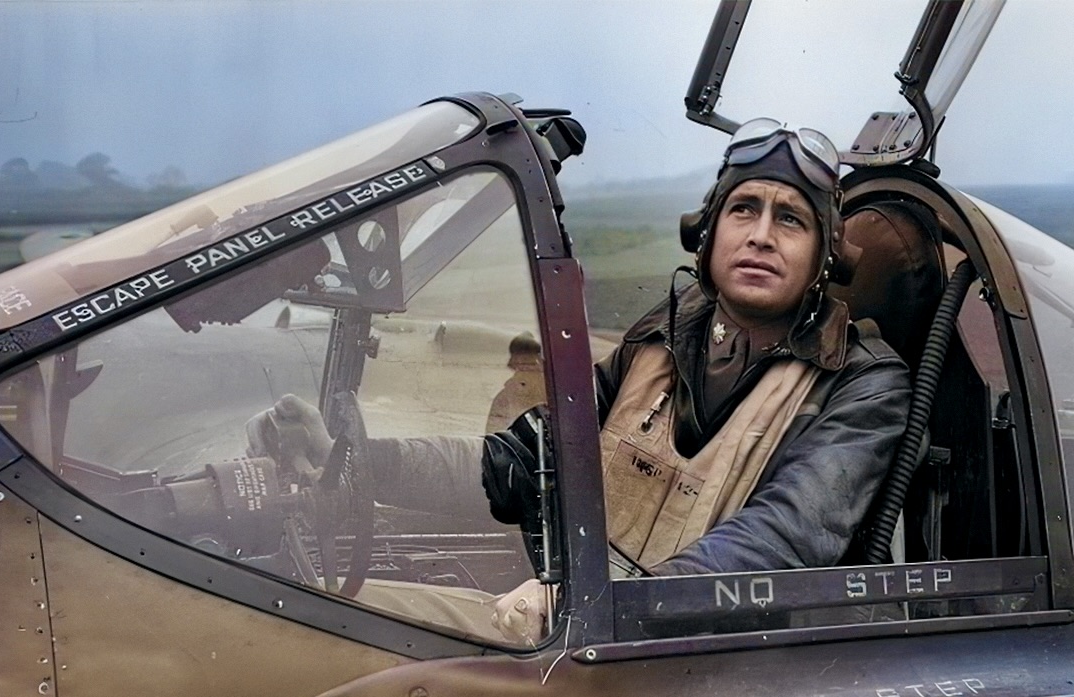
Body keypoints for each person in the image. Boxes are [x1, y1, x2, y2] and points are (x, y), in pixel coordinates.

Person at [253, 121, 910, 641]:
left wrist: (597, 603)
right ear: (708, 232)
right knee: (315, 615)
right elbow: (525, 460)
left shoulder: (861, 385)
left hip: (700, 669)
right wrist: (357, 462)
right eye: (744, 209)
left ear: (827, 254)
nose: (761, 235)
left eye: (790, 219)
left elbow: (780, 541)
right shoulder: (659, 339)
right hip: (581, 633)